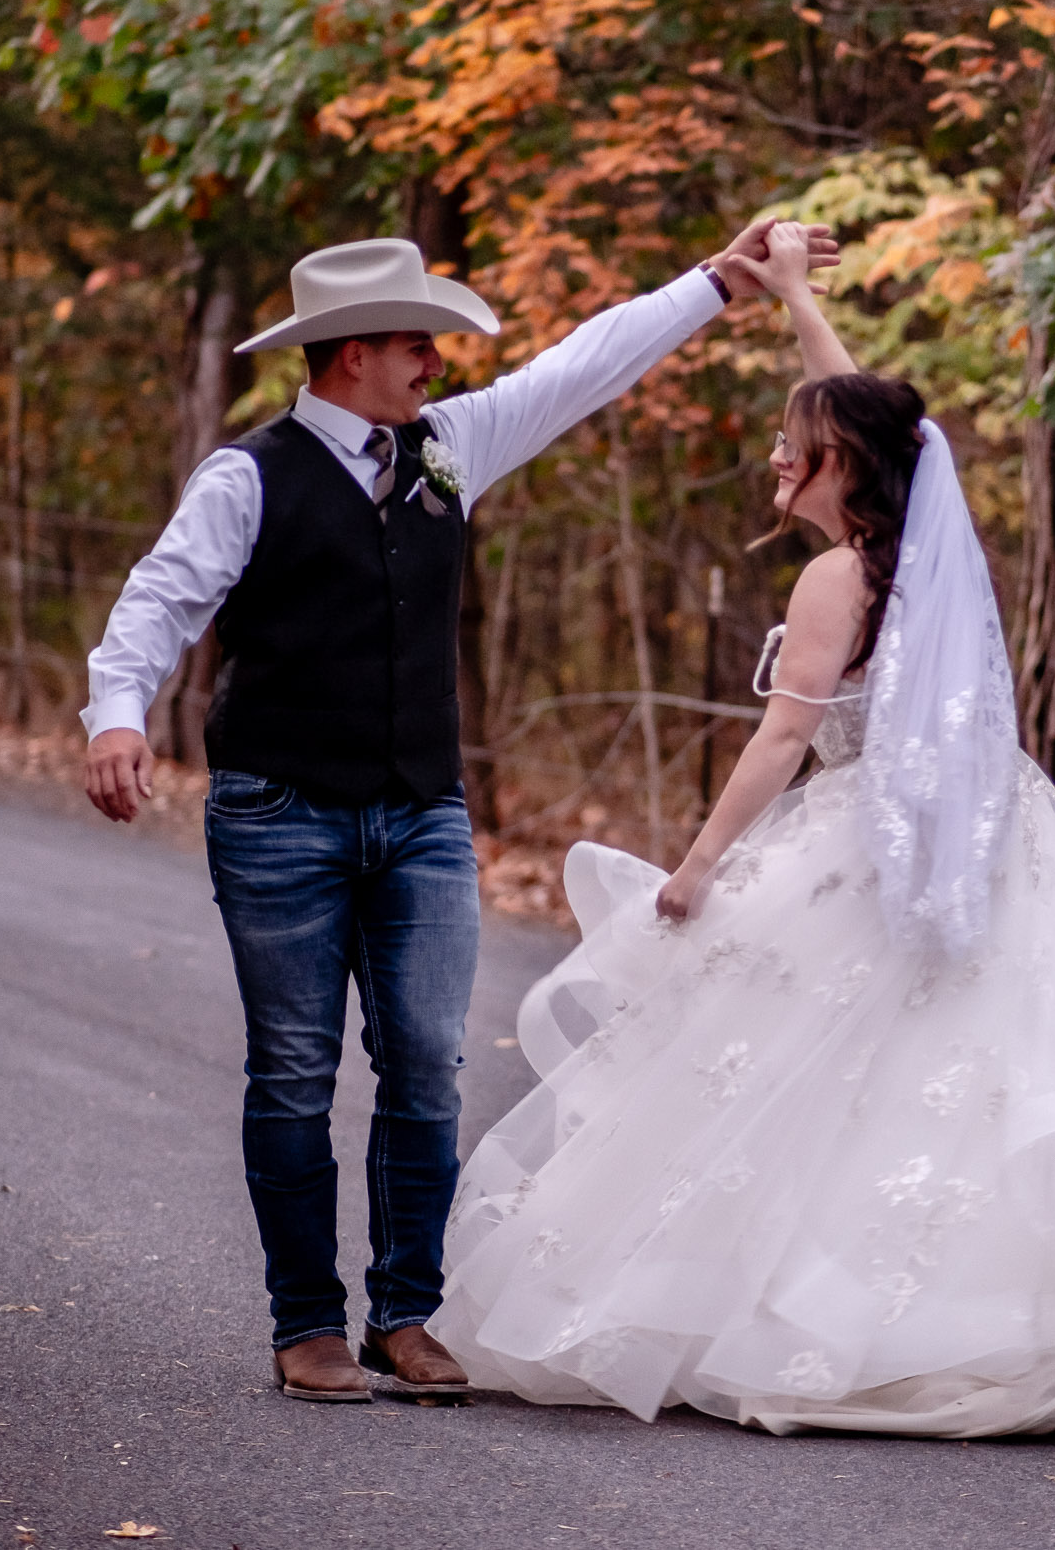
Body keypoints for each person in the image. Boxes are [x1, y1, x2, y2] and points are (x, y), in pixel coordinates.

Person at [429, 223, 1055, 1437]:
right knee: (943, 1083)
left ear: (841, 464)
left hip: (862, 834)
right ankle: (934, 1315)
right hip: (982, 830)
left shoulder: (835, 580)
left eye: (794, 449)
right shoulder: (924, 549)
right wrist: (788, 297)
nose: (777, 461)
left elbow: (782, 742)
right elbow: (889, 425)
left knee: (833, 1087)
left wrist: (697, 865)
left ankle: (828, 1320)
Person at [80, 222, 839, 1405]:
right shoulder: (249, 476)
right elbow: (162, 598)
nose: (436, 361)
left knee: (427, 1063)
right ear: (345, 358)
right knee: (291, 1071)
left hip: (422, 812)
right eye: (414, 345)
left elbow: (576, 371)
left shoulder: (448, 446)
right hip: (278, 810)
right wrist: (117, 713)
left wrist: (712, 285)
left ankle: (406, 1314)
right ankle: (305, 1326)